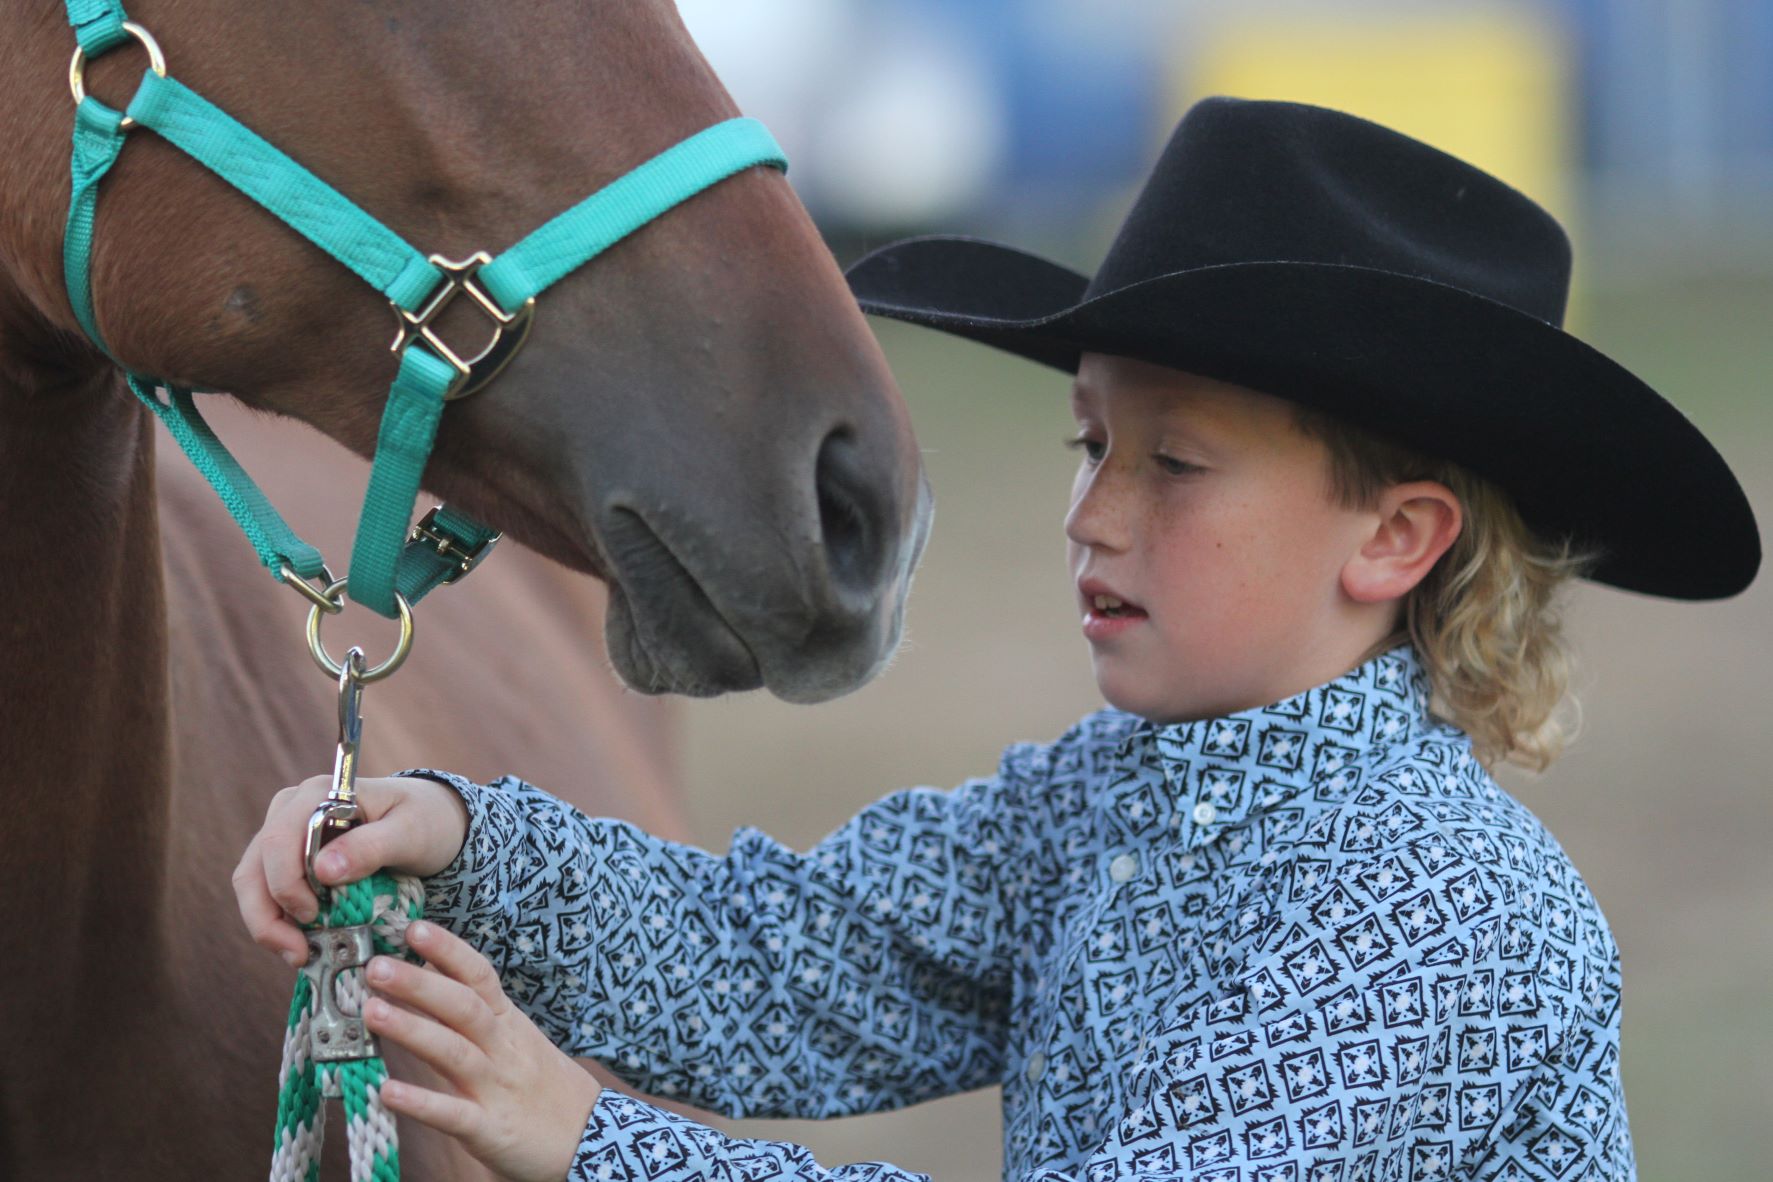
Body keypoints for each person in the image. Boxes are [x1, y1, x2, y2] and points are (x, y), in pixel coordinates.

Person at [234, 97, 1758, 1182]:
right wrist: (455, 844)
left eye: (1173, 463)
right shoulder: (1100, 802)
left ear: (1394, 537)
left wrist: (589, 1139)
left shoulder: (1439, 908)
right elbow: (785, 962)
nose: (1090, 514)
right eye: (1090, 445)